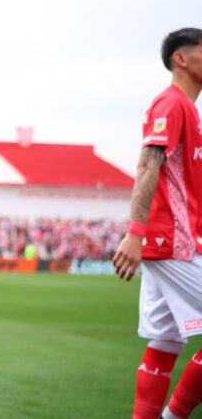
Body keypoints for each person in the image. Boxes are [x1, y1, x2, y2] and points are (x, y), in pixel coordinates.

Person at [112, 27, 202, 419]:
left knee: (166, 341)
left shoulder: (188, 110)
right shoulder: (172, 103)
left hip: (173, 240)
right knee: (165, 341)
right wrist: (135, 232)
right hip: (172, 242)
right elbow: (148, 163)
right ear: (181, 58)